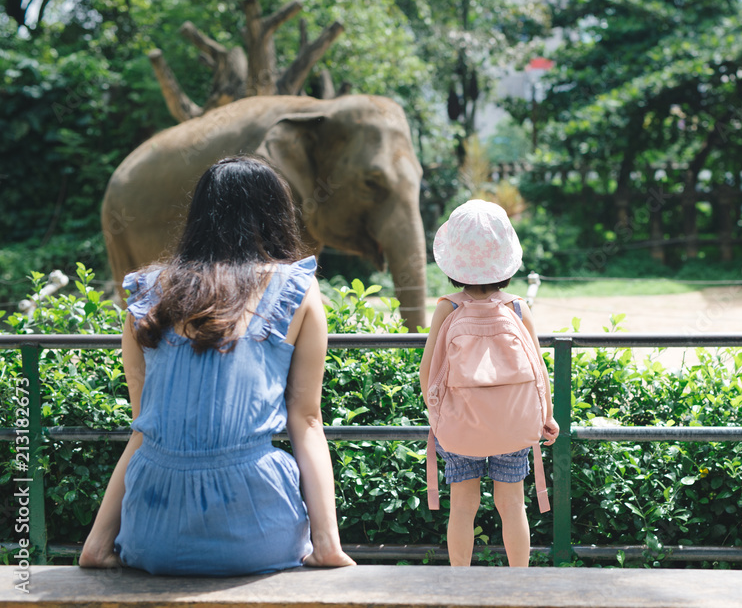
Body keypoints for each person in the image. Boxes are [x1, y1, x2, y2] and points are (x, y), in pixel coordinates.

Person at [80, 155, 355, 575]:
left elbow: (145, 428)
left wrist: (97, 545)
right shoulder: (295, 287)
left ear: (199, 216)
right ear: (275, 214)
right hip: (257, 531)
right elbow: (308, 421)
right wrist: (328, 546)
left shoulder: (146, 294)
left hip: (154, 531)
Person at [419, 199, 559, 567]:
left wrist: (437, 418)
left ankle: (462, 587)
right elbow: (539, 369)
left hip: (460, 424)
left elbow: (428, 371)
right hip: (514, 423)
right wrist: (547, 414)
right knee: (512, 506)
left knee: (463, 508)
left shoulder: (447, 307)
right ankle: (517, 588)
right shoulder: (516, 308)